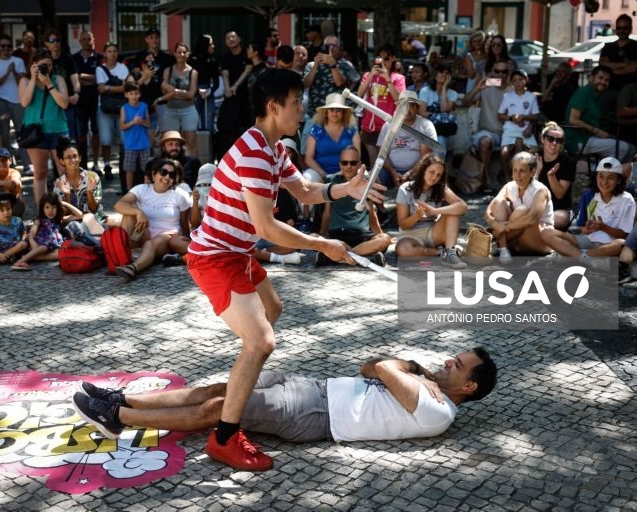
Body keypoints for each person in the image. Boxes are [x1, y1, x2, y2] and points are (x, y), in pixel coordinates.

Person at [181, 69, 383, 471]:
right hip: (215, 256)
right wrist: (321, 244)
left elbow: (306, 191)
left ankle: (241, 388)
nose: (302, 110)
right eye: (296, 103)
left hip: (237, 254)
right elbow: (267, 228)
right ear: (274, 108)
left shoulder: (273, 147)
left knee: (271, 311)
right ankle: (224, 436)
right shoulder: (255, 151)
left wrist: (346, 188)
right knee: (261, 342)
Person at [72, 347, 497, 444]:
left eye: (456, 366)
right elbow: (368, 367)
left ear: (469, 387)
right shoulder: (430, 386)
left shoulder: (439, 411)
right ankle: (121, 399)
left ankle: (118, 420)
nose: (446, 363)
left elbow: (385, 369)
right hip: (313, 386)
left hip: (315, 413)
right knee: (221, 387)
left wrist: (413, 370)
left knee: (221, 408)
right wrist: (416, 371)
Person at [542, 157, 635, 270]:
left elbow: (626, 235)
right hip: (587, 241)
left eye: (610, 178)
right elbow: (582, 228)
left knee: (621, 244)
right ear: (596, 177)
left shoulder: (627, 199)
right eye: (601, 176)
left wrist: (603, 227)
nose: (604, 182)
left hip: (608, 245)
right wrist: (586, 229)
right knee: (546, 233)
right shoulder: (590, 195)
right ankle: (587, 260)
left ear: (618, 180)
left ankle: (572, 257)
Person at [112, 158, 192, 280]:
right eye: (163, 172)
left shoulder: (179, 195)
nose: (167, 177)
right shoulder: (141, 189)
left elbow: (185, 224)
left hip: (167, 236)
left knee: (151, 243)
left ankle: (133, 268)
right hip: (143, 233)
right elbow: (119, 205)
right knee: (128, 215)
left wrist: (180, 242)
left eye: (171, 175)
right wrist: (138, 212)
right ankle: (123, 257)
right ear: (154, 174)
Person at [317, 146, 391, 266]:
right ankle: (361, 256)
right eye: (344, 163)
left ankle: (340, 257)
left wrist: (380, 235)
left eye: (352, 162)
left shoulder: (367, 182)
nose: (348, 166)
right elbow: (327, 212)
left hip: (361, 235)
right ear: (340, 164)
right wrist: (323, 234)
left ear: (359, 164)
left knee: (385, 239)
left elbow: (371, 212)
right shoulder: (331, 181)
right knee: (314, 237)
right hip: (337, 235)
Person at [18, 48, 70, 209]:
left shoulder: (58, 79)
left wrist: (48, 84)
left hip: (58, 129)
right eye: (42, 65)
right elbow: (24, 103)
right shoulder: (25, 81)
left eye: (49, 65)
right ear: (33, 65)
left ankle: (69, 209)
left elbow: (64, 103)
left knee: (64, 172)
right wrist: (34, 80)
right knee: (40, 173)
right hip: (36, 132)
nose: (47, 68)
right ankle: (43, 211)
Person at [395, 154, 467, 268]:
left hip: (433, 232)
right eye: (431, 172)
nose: (434, 177)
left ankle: (450, 253)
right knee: (403, 251)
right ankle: (442, 252)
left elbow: (462, 206)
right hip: (410, 235)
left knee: (454, 212)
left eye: (438, 175)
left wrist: (434, 211)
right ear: (423, 169)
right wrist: (416, 216)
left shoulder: (440, 188)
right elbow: (403, 225)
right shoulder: (405, 189)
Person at [485, 152, 553, 264]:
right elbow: (490, 209)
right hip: (515, 234)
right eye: (515, 170)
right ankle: (504, 249)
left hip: (538, 237)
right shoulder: (510, 186)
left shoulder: (540, 190)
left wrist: (504, 228)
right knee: (498, 202)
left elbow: (531, 219)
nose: (517, 175)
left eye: (522, 171)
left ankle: (500, 242)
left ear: (532, 172)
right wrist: (494, 223)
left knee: (523, 211)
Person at [564, 65, 635, 163]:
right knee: (627, 149)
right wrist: (596, 131)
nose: (603, 82)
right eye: (600, 78)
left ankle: (599, 171)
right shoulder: (584, 92)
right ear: (591, 78)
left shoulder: (596, 96)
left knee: (621, 143)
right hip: (579, 140)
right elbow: (573, 119)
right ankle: (601, 173)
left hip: (590, 138)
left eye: (607, 80)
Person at [302, 35, 360, 153]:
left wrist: (333, 65)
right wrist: (316, 65)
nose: (330, 49)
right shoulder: (312, 65)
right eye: (327, 46)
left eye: (334, 46)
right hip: (315, 114)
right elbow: (306, 85)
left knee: (337, 151)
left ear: (340, 49)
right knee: (305, 150)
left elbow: (340, 83)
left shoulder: (345, 65)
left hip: (336, 116)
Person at [462, 61, 511, 193]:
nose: (500, 75)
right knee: (484, 141)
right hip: (489, 132)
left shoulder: (512, 89)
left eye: (504, 72)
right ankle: (487, 180)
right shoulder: (487, 86)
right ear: (492, 73)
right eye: (497, 72)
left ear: (508, 74)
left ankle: (510, 183)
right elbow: (465, 102)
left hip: (509, 133)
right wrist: (477, 88)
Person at [357, 45, 406, 165]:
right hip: (369, 126)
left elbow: (399, 99)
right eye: (380, 58)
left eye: (387, 58)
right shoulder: (368, 75)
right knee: (375, 164)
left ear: (393, 58)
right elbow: (359, 94)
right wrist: (370, 76)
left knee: (388, 163)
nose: (383, 62)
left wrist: (388, 79)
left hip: (388, 127)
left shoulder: (398, 78)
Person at [376, 92, 437, 188]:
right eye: (403, 106)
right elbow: (382, 155)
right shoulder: (388, 125)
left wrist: (409, 175)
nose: (407, 110)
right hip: (391, 170)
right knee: (374, 176)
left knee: (428, 172)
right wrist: (393, 173)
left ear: (417, 108)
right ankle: (379, 203)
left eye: (411, 106)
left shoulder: (425, 125)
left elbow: (426, 155)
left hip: (418, 169)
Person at [0, 33, 29, 172]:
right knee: (4, 134)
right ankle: (9, 163)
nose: (6, 49)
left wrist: (15, 72)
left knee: (22, 133)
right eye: (3, 46)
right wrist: (7, 72)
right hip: (0, 101)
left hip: (17, 100)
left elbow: (22, 82)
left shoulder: (18, 61)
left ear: (12, 48)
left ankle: (27, 164)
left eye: (8, 46)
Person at [11, 192, 75, 271]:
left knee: (61, 254)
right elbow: (32, 231)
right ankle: (21, 261)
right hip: (39, 244)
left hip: (53, 246)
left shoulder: (59, 220)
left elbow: (80, 215)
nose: (50, 211)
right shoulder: (40, 219)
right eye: (47, 207)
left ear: (58, 208)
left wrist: (64, 203)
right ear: (42, 208)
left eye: (54, 207)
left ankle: (32, 257)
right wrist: (32, 241)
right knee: (44, 248)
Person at [304, 93, 361, 181]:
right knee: (307, 178)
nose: (335, 113)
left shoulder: (351, 130)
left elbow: (357, 157)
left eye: (338, 110)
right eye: (331, 109)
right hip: (320, 172)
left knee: (368, 178)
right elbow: (308, 158)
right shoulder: (316, 130)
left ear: (343, 112)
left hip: (347, 171)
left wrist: (344, 173)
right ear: (326, 112)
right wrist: (323, 174)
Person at [53, 141, 105, 233]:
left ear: (80, 158)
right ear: (62, 161)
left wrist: (89, 192)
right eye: (68, 157)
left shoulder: (92, 177)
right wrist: (67, 194)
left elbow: (94, 210)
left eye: (75, 156)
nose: (73, 160)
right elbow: (64, 214)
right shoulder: (59, 183)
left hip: (93, 219)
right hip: (72, 222)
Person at [497, 70, 539, 181]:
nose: (518, 82)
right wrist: (512, 118)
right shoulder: (507, 96)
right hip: (510, 129)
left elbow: (535, 116)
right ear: (511, 82)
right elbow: (500, 115)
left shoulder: (531, 97)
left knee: (534, 151)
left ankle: (529, 178)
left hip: (525, 130)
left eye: (520, 79)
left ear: (526, 80)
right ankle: (508, 178)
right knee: (504, 152)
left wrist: (523, 117)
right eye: (514, 80)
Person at [216, 29, 253, 157]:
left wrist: (235, 86)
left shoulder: (246, 54)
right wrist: (228, 89)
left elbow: (248, 70)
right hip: (232, 97)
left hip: (246, 96)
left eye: (233, 36)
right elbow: (225, 74)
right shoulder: (225, 57)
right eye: (227, 38)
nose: (231, 39)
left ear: (239, 39)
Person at [96, 41, 129, 181]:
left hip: (121, 107)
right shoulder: (100, 69)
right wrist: (117, 88)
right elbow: (101, 88)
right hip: (105, 108)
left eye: (115, 51)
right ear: (105, 53)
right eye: (109, 51)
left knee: (123, 138)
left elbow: (126, 87)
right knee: (105, 139)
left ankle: (123, 165)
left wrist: (109, 88)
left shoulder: (123, 68)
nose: (112, 54)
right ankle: (108, 166)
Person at [132, 27, 175, 134]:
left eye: (156, 37)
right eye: (151, 37)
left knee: (164, 133)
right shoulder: (140, 56)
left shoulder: (167, 57)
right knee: (145, 133)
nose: (154, 40)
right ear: (146, 39)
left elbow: (170, 74)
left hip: (162, 99)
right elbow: (136, 73)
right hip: (144, 99)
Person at [44, 29, 81, 151]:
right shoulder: (43, 61)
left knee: (70, 139)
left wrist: (76, 93)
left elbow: (75, 80)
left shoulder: (68, 60)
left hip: (67, 104)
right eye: (52, 40)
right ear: (46, 43)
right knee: (51, 139)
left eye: (57, 40)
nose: (55, 43)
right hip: (49, 105)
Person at [534, 122, 576, 230]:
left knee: (560, 218)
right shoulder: (534, 158)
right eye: (550, 139)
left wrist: (551, 176)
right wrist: (537, 172)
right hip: (535, 208)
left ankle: (530, 226)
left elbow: (559, 194)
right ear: (543, 139)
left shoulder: (567, 162)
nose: (554, 143)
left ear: (562, 144)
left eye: (559, 140)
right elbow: (525, 190)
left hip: (558, 209)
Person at [72, 31, 103, 172]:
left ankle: (96, 163)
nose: (86, 41)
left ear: (93, 40)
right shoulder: (74, 59)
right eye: (83, 39)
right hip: (80, 102)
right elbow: (74, 80)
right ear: (80, 41)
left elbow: (102, 79)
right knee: (81, 134)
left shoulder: (100, 58)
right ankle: (83, 163)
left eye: (89, 39)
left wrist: (83, 77)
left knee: (96, 132)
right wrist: (94, 78)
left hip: (97, 101)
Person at [162, 42, 199, 157]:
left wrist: (173, 92)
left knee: (190, 143)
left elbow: (191, 94)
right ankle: (171, 166)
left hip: (188, 110)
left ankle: (191, 168)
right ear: (174, 54)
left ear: (188, 54)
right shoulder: (168, 70)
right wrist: (181, 92)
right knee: (170, 142)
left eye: (184, 52)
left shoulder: (193, 72)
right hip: (171, 110)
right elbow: (163, 91)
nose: (181, 54)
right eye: (179, 52)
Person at [418, 63, 458, 156]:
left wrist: (444, 87)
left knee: (440, 141)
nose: (443, 75)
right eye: (441, 72)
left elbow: (444, 109)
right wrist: (438, 116)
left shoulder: (452, 93)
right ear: (436, 74)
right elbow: (421, 112)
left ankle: (438, 168)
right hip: (427, 128)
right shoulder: (425, 91)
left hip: (443, 131)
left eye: (446, 73)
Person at [119, 82, 150, 195]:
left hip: (144, 144)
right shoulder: (124, 108)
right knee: (129, 169)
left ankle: (148, 190)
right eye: (131, 93)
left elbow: (149, 124)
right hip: (130, 144)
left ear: (140, 94)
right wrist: (133, 122)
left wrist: (141, 121)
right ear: (126, 95)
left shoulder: (143, 106)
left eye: (136, 93)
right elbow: (122, 126)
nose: (134, 96)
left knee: (146, 168)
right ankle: (129, 191)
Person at [188, 34, 219, 132]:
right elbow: (187, 79)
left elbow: (216, 82)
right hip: (193, 93)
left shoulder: (213, 61)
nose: (213, 46)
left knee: (208, 122)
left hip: (208, 93)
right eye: (210, 44)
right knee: (193, 122)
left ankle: (207, 145)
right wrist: (197, 90)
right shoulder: (191, 60)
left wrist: (209, 91)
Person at [599, 15, 637, 92]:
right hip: (609, 89)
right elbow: (602, 64)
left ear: (630, 29)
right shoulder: (608, 47)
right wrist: (626, 64)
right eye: (619, 28)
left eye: (625, 28)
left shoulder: (636, 46)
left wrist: (611, 68)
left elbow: (634, 68)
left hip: (631, 90)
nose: (621, 31)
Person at [0, 148, 25, 218]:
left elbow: (13, 184)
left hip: (15, 204)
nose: (1, 163)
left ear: (10, 161)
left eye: (4, 160)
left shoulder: (14, 172)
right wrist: (3, 184)